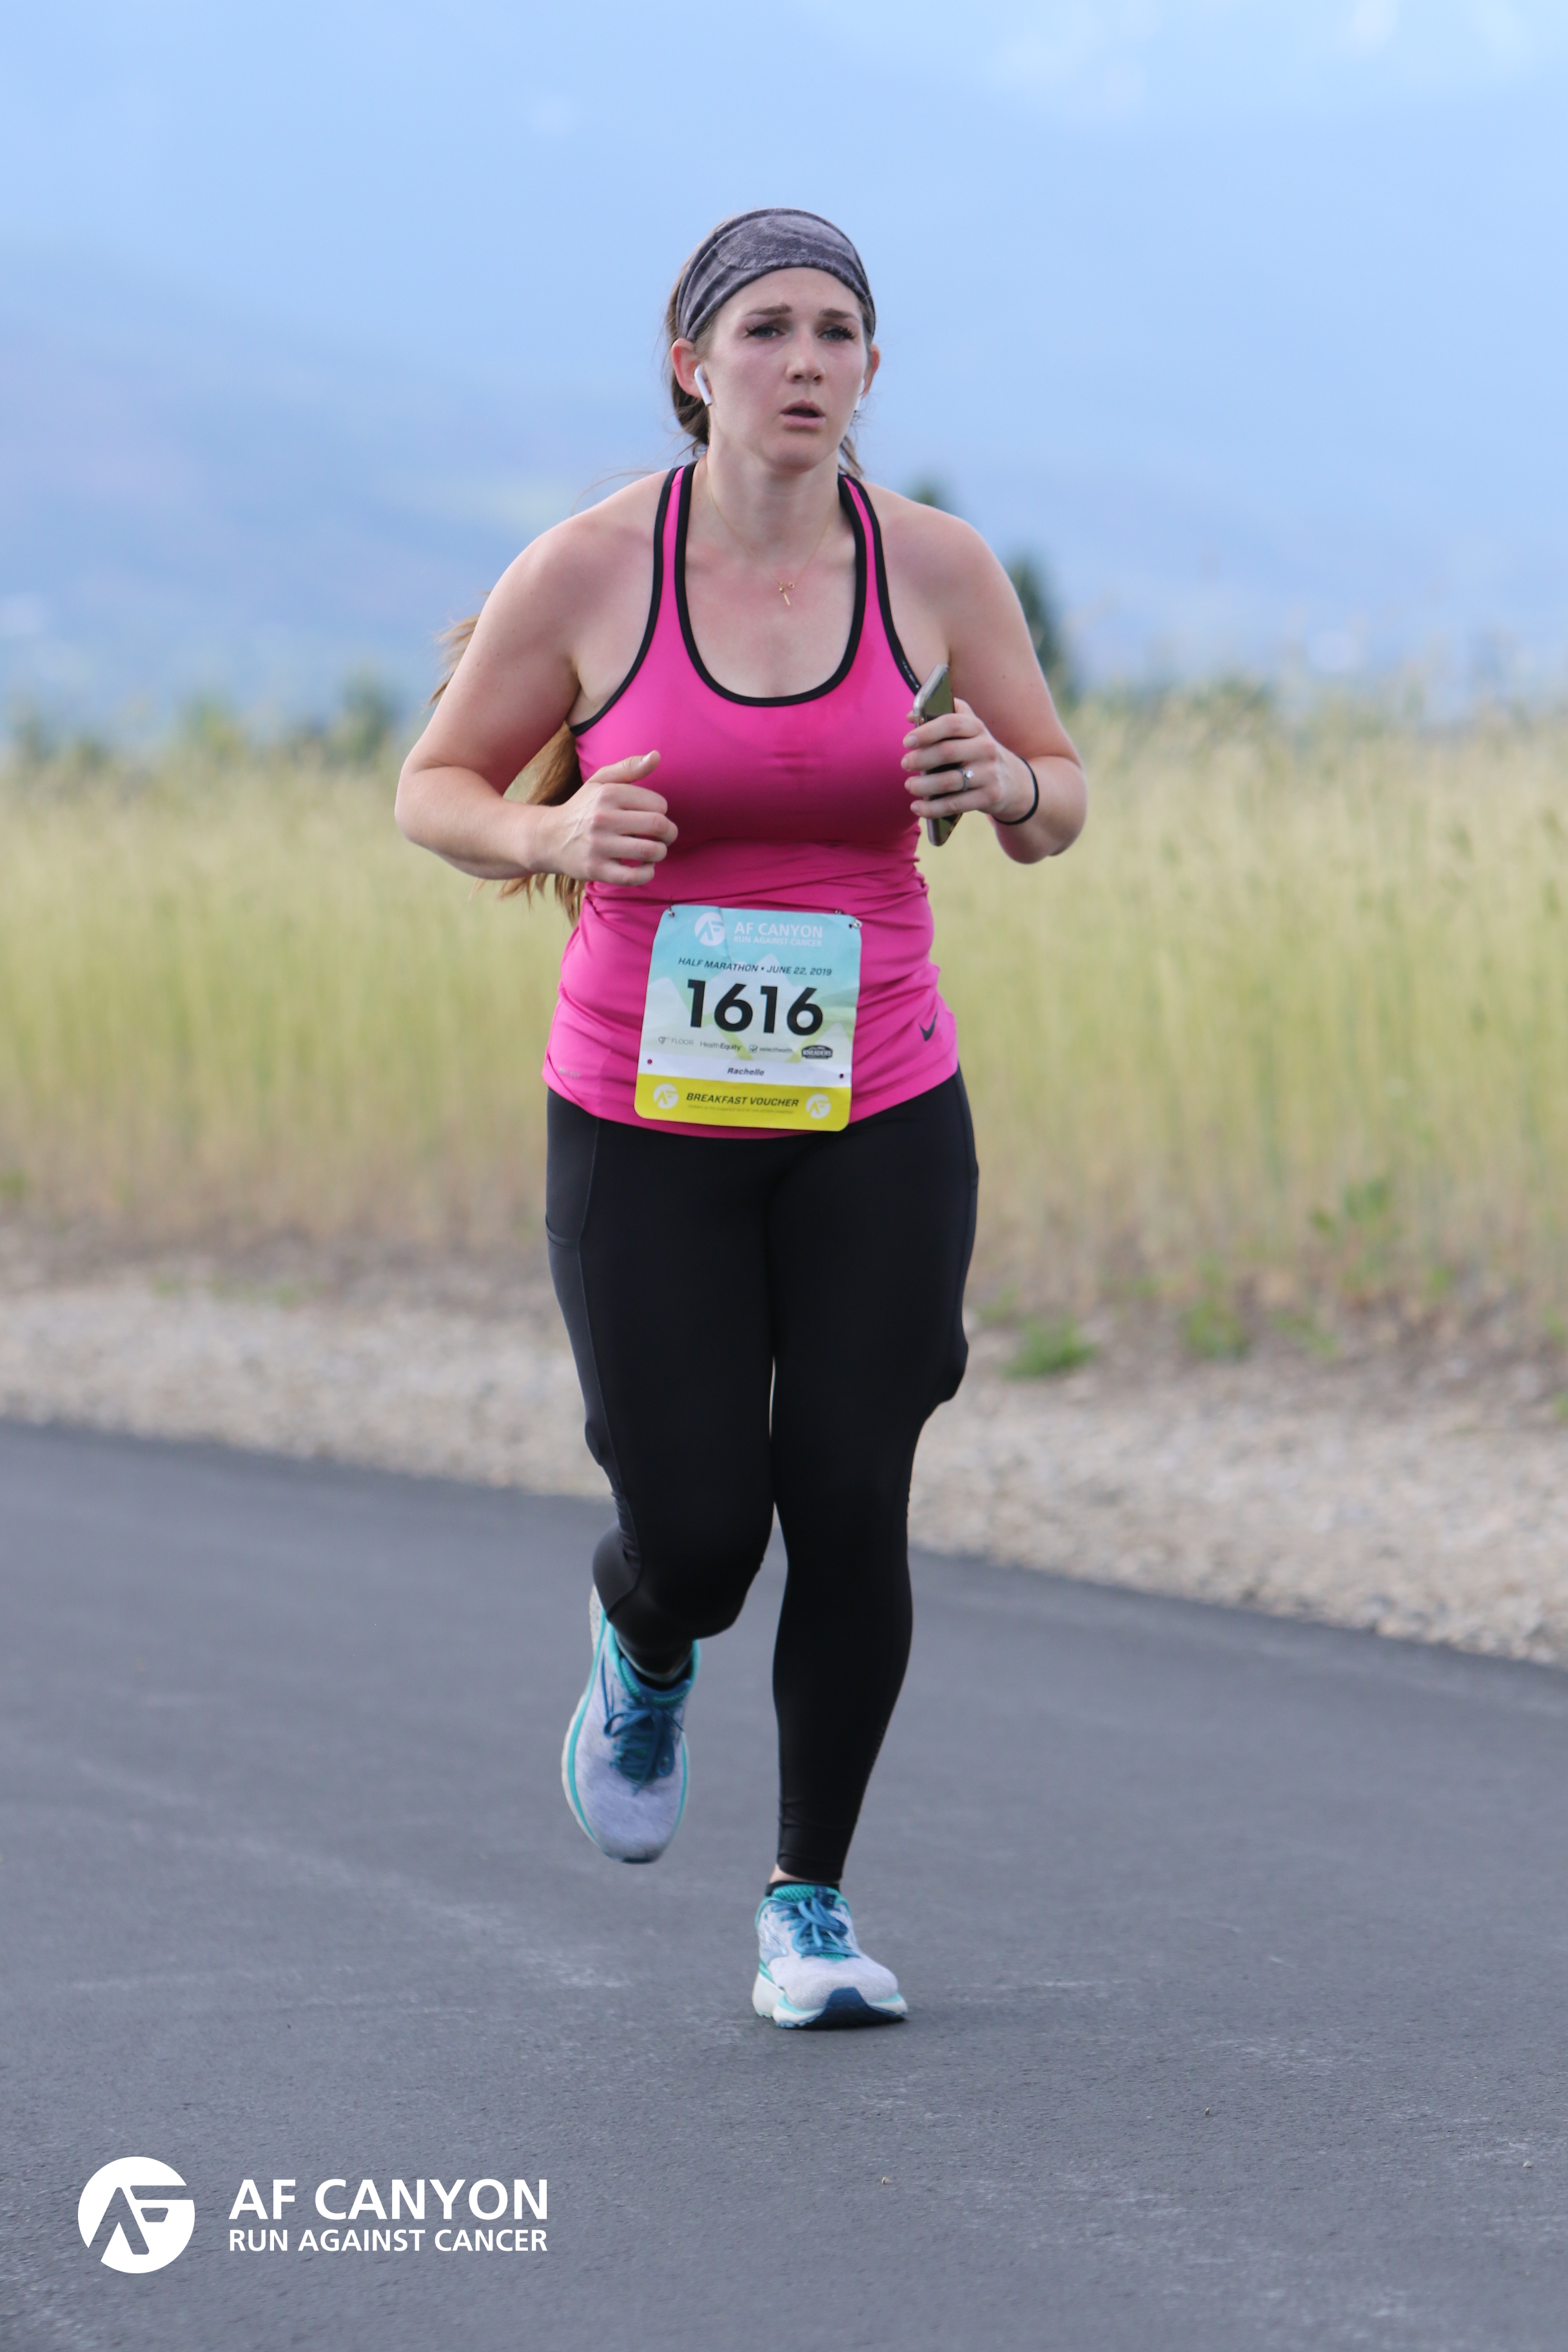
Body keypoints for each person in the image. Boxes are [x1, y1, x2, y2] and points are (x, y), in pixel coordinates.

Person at [395, 208, 1086, 2028]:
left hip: (881, 1102)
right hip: (646, 1111)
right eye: (767, 328)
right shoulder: (589, 569)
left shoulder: (935, 566)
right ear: (692, 363)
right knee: (701, 1534)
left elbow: (1058, 796)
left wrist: (1005, 781)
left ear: (872, 370)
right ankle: (641, 1643)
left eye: (837, 332)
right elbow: (433, 785)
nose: (805, 362)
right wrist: (549, 830)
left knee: (851, 1493)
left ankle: (809, 1907)